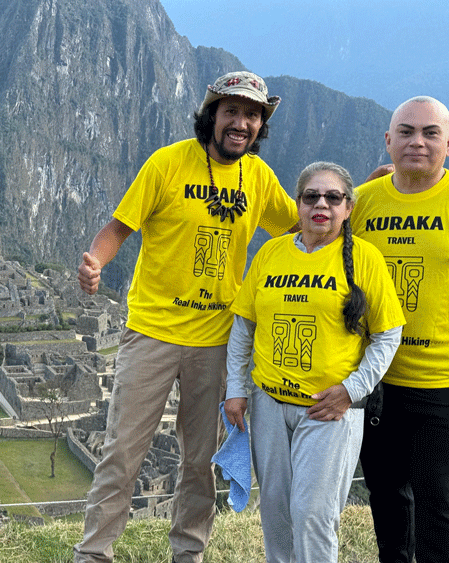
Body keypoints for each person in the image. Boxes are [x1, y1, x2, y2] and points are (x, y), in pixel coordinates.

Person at [73, 71, 300, 563]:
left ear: (261, 126)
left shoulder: (258, 179)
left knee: (200, 460)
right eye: (232, 112)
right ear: (212, 116)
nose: (242, 123)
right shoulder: (168, 164)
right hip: (152, 332)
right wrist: (95, 263)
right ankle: (93, 553)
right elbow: (117, 228)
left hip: (217, 341)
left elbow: (305, 223)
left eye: (252, 115)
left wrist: (362, 197)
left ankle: (188, 553)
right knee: (121, 453)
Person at [224, 161, 405, 563]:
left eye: (333, 197)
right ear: (298, 203)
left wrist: (352, 390)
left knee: (313, 516)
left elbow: (388, 334)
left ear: (348, 207)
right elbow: (244, 326)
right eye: (311, 196)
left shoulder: (365, 260)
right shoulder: (271, 253)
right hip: (269, 403)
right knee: (275, 515)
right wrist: (236, 390)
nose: (321, 204)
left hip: (328, 409)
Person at [352, 96, 449, 563]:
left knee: (439, 503)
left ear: (447, 143)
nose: (418, 142)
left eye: (431, 133)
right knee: (386, 496)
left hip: (439, 382)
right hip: (377, 381)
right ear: (388, 141)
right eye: (406, 132)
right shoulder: (363, 204)